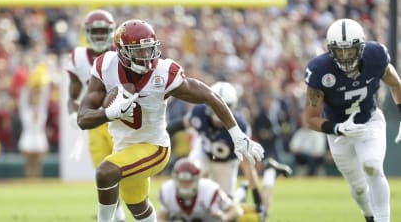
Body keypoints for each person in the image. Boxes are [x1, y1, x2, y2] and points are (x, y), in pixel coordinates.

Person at [77, 19, 264, 222]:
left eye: (149, 49)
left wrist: (237, 134)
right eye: (138, 51)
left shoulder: (163, 73)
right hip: (124, 149)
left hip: (154, 147)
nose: (146, 56)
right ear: (122, 52)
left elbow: (208, 96)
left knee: (106, 172)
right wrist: (109, 113)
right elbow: (83, 119)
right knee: (139, 209)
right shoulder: (106, 66)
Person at [303, 18, 401, 222]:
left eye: (350, 50)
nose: (346, 56)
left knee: (372, 166)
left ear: (361, 47)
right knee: (357, 187)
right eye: (340, 51)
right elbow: (310, 118)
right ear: (331, 50)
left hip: (369, 120)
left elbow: (396, 84)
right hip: (338, 132)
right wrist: (338, 128)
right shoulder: (320, 70)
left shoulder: (376, 57)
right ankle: (368, 215)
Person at [167, 81, 292, 222]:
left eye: (222, 106)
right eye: (214, 106)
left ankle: (255, 182)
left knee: (226, 206)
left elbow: (247, 166)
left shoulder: (241, 127)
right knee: (191, 174)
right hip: (203, 152)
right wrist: (162, 134)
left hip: (227, 163)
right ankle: (177, 211)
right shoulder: (200, 113)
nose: (217, 113)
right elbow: (181, 124)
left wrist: (257, 198)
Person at [64, 9, 125, 222]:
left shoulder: (123, 53)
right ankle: (118, 217)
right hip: (96, 123)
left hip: (121, 122)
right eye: (95, 31)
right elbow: (72, 97)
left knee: (127, 176)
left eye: (103, 30)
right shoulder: (78, 57)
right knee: (104, 175)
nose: (99, 35)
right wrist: (73, 114)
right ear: (87, 32)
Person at [158, 158, 243, 222]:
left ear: (197, 179)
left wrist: (225, 217)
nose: (184, 185)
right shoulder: (167, 191)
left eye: (188, 181)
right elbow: (162, 216)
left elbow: (236, 210)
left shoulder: (210, 190)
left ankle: (243, 190)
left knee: (237, 201)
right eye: (181, 181)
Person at [18, 63, 50, 178]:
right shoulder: (25, 110)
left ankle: (37, 182)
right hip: (27, 137)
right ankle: (27, 181)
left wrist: (42, 83)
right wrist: (28, 84)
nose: (35, 98)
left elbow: (45, 96)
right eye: (33, 96)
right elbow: (22, 98)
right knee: (28, 163)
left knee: (37, 163)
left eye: (37, 96)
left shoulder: (42, 109)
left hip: (39, 138)